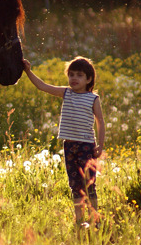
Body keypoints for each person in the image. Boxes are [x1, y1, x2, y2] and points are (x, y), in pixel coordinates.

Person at [23, 56, 106, 230]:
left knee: (89, 184)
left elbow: (100, 121)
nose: (74, 78)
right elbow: (42, 86)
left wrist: (100, 144)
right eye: (71, 74)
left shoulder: (93, 98)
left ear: (89, 79)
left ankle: (95, 219)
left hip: (86, 146)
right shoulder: (66, 93)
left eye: (80, 75)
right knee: (75, 183)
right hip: (69, 146)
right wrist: (28, 71)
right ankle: (80, 221)